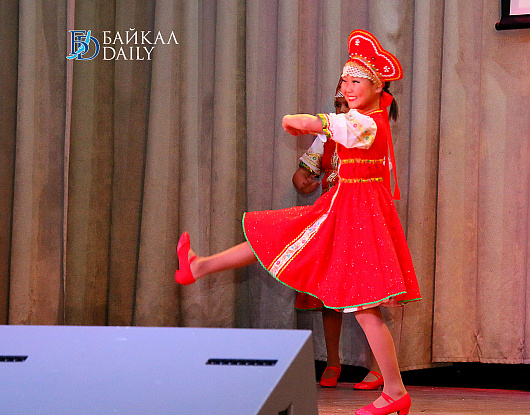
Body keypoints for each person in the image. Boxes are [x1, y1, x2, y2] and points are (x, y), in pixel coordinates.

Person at [176, 29, 421, 415]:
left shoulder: (367, 123)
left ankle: (394, 390)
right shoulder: (359, 118)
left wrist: (303, 121)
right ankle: (200, 266)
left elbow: (332, 126)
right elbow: (329, 136)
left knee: (364, 309)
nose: (348, 87)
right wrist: (310, 133)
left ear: (378, 87)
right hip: (342, 208)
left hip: (359, 218)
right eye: (345, 80)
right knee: (278, 237)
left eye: (357, 81)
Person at [293, 85, 384, 391]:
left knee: (367, 295)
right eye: (338, 104)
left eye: (348, 104)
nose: (342, 110)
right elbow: (305, 170)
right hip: (332, 221)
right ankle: (333, 361)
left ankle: (379, 368)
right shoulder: (327, 136)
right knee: (329, 295)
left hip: (360, 221)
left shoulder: (368, 132)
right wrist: (302, 180)